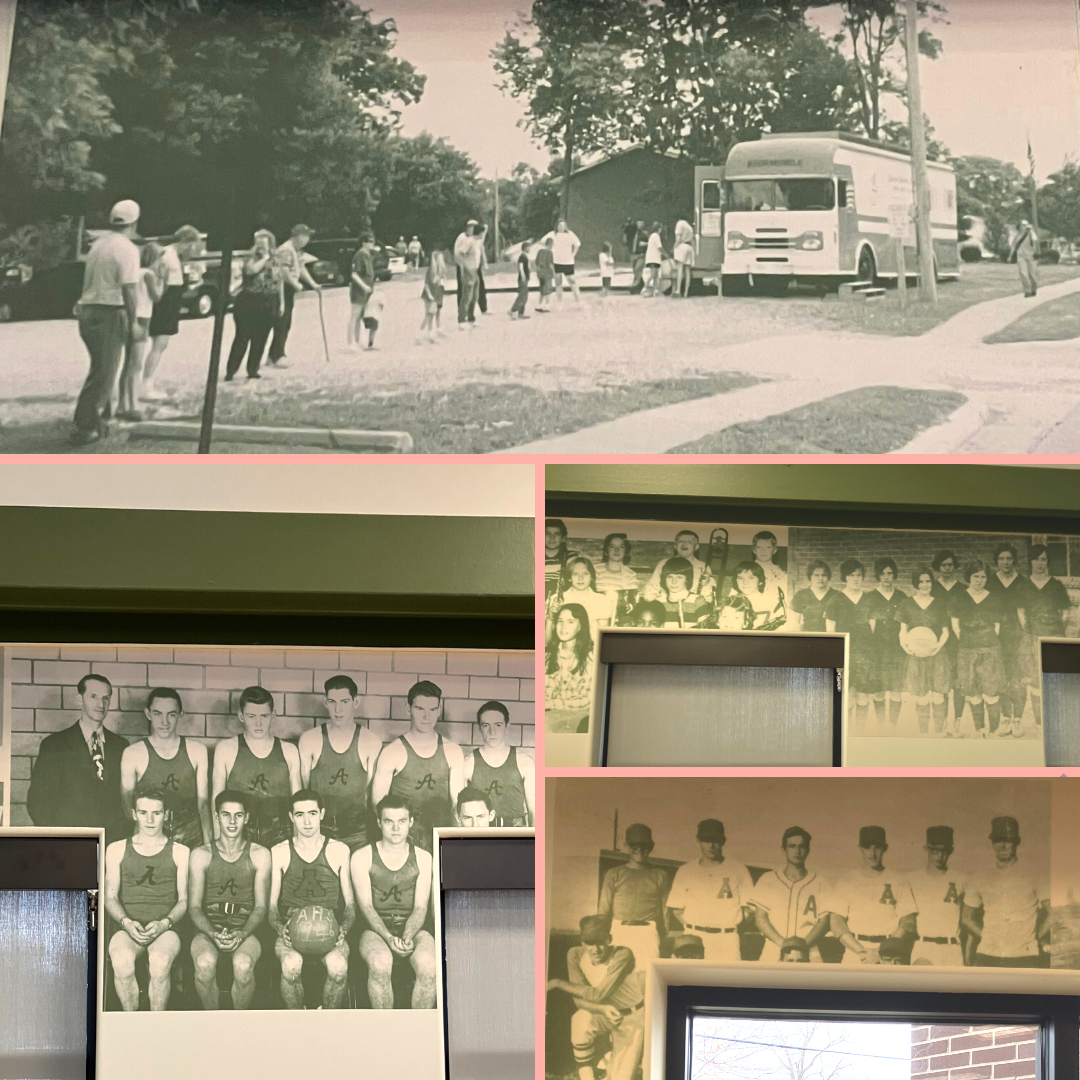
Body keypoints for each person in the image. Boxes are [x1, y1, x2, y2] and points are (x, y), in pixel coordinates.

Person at [268, 790, 355, 1009]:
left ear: (322, 814)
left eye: (312, 813)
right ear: (291, 817)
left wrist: (343, 927)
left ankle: (328, 1024)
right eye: (299, 815)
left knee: (339, 968)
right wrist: (280, 928)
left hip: (330, 929)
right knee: (291, 965)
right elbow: (270, 907)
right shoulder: (279, 851)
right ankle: (297, 1023)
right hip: (291, 929)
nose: (307, 821)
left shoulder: (339, 850)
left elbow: (351, 905)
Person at [104, 792, 189, 1011]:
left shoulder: (181, 852)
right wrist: (126, 922)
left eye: (156, 813)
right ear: (134, 814)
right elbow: (110, 897)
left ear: (166, 815)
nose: (150, 820)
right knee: (121, 962)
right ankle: (132, 1025)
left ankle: (156, 1026)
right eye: (143, 813)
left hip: (166, 928)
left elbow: (183, 901)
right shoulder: (116, 849)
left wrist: (164, 923)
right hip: (128, 926)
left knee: (160, 963)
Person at [187, 790, 272, 1010]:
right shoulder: (201, 854)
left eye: (238, 815)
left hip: (245, 929)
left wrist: (243, 933)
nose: (232, 822)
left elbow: (261, 907)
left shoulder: (259, 854)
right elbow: (194, 908)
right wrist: (212, 933)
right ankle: (213, 1020)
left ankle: (238, 1023)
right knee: (204, 964)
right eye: (226, 815)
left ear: (247, 818)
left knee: (243, 966)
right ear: (216, 817)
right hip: (209, 928)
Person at [351, 795, 437, 1009]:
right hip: (375, 929)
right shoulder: (362, 856)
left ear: (411, 822)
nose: (396, 828)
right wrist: (389, 938)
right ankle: (386, 1032)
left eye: (401, 821)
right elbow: (367, 908)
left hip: (413, 928)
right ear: (379, 823)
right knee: (380, 963)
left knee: (430, 966)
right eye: (389, 821)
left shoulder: (424, 858)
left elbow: (420, 907)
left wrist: (407, 936)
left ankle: (418, 1032)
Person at [71, 199, 143, 445]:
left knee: (100, 368)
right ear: (134, 222)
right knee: (105, 373)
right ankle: (85, 425)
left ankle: (100, 419)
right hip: (109, 312)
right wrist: (134, 322)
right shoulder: (127, 249)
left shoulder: (99, 245)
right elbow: (130, 290)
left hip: (89, 310)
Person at [26, 673, 128, 840]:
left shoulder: (121, 746)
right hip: (69, 846)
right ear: (80, 700)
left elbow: (125, 802)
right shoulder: (54, 745)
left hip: (111, 845)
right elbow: (38, 803)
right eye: (93, 697)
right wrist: (60, 841)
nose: (100, 704)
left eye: (106, 698)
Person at [547, 914, 645, 1080]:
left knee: (621, 1077)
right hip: (604, 1013)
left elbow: (599, 994)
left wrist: (557, 983)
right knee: (580, 1021)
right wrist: (602, 1009)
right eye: (589, 943)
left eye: (600, 942)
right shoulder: (575, 955)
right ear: (582, 942)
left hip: (631, 1017)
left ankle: (611, 1062)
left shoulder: (623, 954)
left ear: (609, 939)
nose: (595, 949)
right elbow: (578, 1000)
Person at [371, 680, 465, 851]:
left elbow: (457, 805)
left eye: (432, 710)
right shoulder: (392, 752)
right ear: (408, 709)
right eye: (420, 709)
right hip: (402, 839)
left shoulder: (453, 751)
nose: (426, 717)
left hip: (439, 835)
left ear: (439, 711)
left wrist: (453, 843)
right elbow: (378, 805)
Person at [299, 675, 383, 851]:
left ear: (356, 702)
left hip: (357, 833)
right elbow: (303, 793)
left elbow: (372, 797)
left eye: (345, 702)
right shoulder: (309, 739)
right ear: (325, 703)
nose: (338, 709)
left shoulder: (371, 741)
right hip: (319, 832)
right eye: (332, 702)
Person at [211, 686, 302, 848]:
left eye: (264, 716)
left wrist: (296, 846)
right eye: (251, 716)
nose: (258, 723)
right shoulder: (226, 749)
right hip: (239, 834)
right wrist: (220, 846)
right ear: (241, 716)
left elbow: (299, 805)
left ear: (273, 715)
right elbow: (215, 803)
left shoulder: (289, 751)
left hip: (280, 834)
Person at [120, 687, 211, 849]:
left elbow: (203, 806)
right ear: (148, 714)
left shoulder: (197, 751)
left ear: (180, 715)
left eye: (171, 714)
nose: (164, 722)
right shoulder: (132, 753)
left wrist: (209, 847)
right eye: (157, 714)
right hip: (149, 833)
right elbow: (128, 806)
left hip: (190, 833)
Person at [963, 816, 1048, 967]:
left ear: (1017, 842)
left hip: (1025, 956)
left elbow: (1054, 913)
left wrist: (1035, 937)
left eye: (1008, 840)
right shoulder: (980, 876)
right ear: (992, 843)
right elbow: (967, 918)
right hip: (987, 955)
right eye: (997, 840)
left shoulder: (1034, 873)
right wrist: (987, 936)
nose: (1002, 846)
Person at [666, 818, 753, 963]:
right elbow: (677, 910)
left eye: (716, 840)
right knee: (692, 982)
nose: (711, 845)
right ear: (698, 840)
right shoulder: (686, 870)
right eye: (706, 840)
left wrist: (730, 929)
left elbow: (749, 910)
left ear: (723, 841)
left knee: (726, 982)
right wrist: (694, 926)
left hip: (727, 939)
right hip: (694, 938)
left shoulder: (738, 869)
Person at [828, 825, 916, 965]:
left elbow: (908, 922)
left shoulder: (898, 880)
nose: (872, 853)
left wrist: (880, 951)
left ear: (885, 848)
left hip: (888, 953)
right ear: (860, 848)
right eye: (867, 847)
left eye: (877, 847)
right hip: (855, 953)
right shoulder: (846, 880)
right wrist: (862, 952)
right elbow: (836, 923)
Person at [750, 826, 830, 963]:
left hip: (810, 949)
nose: (797, 851)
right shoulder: (768, 879)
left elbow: (824, 922)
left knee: (815, 983)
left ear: (808, 850)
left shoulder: (820, 882)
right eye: (792, 846)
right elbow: (760, 918)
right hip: (773, 947)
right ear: (783, 849)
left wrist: (801, 946)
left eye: (802, 846)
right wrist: (784, 944)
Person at [142, 223, 201, 402]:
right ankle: (146, 384)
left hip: (171, 299)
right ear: (186, 242)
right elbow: (158, 278)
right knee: (159, 344)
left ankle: (146, 383)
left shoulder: (173, 256)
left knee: (161, 345)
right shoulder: (167, 256)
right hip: (166, 301)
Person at [1017, 544, 1071, 728]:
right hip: (1032, 637)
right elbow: (1021, 613)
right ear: (1030, 561)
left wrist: (1054, 632)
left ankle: (1055, 721)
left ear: (1047, 562)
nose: (1040, 563)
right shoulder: (1024, 585)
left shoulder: (1056, 585)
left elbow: (1065, 613)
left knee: (1053, 679)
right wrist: (1032, 631)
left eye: (1043, 559)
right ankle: (1040, 724)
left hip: (1053, 637)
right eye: (1036, 559)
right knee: (1034, 681)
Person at [949, 560, 1005, 737]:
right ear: (969, 577)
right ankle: (980, 729)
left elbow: (997, 626)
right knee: (974, 694)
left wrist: (985, 641)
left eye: (983, 577)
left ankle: (994, 731)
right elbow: (955, 625)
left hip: (990, 651)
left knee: (991, 693)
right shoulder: (959, 598)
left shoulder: (994, 599)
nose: (979, 580)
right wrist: (970, 643)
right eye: (976, 576)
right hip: (967, 651)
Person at [597, 824, 669, 964]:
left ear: (651, 848)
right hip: (619, 930)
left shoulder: (660, 875)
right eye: (635, 846)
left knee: (648, 973)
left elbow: (665, 910)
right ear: (626, 846)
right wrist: (601, 934)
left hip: (648, 932)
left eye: (645, 846)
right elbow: (603, 909)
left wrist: (663, 934)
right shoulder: (614, 874)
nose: (640, 850)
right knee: (618, 973)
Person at [898, 567, 952, 735]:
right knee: (921, 697)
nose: (924, 585)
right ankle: (923, 734)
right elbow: (902, 630)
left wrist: (938, 647)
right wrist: (904, 645)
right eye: (921, 581)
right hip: (916, 656)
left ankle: (938, 733)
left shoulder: (939, 603)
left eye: (928, 581)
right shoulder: (906, 603)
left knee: (937, 696)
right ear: (916, 583)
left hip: (936, 655)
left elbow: (945, 632)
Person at [223, 230, 283, 382]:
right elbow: (251, 270)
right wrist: (264, 258)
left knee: (261, 338)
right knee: (243, 337)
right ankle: (231, 370)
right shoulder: (251, 258)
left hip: (269, 299)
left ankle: (253, 369)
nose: (261, 246)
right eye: (258, 243)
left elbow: (279, 281)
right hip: (250, 300)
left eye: (264, 243)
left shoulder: (276, 259)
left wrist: (281, 302)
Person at [463, 700, 535, 826]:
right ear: (480, 727)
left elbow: (535, 811)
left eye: (498, 725)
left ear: (507, 726)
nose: (492, 732)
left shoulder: (524, 761)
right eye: (486, 725)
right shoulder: (469, 762)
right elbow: (461, 811)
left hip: (516, 834)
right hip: (481, 832)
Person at [115, 242, 164, 422]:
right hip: (143, 317)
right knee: (136, 364)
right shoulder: (149, 274)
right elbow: (157, 296)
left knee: (127, 363)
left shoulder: (136, 272)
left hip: (131, 315)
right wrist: (163, 279)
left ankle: (122, 403)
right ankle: (133, 405)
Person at [826, 559, 878, 725]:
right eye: (851, 575)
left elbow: (872, 629)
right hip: (845, 653)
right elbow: (830, 631)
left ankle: (860, 730)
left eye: (859, 575)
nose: (856, 578)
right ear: (845, 577)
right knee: (847, 694)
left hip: (865, 653)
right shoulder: (835, 600)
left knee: (863, 694)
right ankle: (847, 731)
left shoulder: (869, 599)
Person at [987, 544, 1030, 737]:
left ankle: (1018, 720)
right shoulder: (989, 582)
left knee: (1019, 679)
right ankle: (1005, 718)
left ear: (1014, 561)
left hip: (1017, 634)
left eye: (1009, 559)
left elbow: (1027, 611)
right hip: (996, 636)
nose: (1005, 562)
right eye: (1002, 559)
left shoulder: (1023, 581)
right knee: (1001, 677)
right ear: (997, 561)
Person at [910, 826, 964, 966]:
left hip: (952, 947)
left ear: (950, 851)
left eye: (944, 851)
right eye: (935, 850)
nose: (940, 856)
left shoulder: (962, 880)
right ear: (926, 849)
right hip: (923, 945)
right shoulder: (912, 880)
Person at [268, 223, 320, 368]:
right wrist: (295, 284)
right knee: (282, 321)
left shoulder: (297, 251)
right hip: (282, 287)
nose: (307, 240)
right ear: (299, 237)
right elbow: (283, 272)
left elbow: (301, 268)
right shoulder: (286, 250)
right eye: (306, 236)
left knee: (286, 321)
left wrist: (313, 284)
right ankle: (278, 355)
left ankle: (273, 354)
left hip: (289, 287)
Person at [868, 558, 907, 726]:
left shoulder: (901, 596)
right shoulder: (870, 597)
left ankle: (893, 725)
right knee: (879, 689)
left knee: (896, 689)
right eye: (882, 573)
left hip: (897, 648)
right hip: (877, 648)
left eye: (889, 573)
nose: (886, 577)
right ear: (878, 575)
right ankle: (881, 724)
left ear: (894, 575)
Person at [545, 604, 595, 715]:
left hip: (575, 718)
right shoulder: (548, 655)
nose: (563, 627)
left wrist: (550, 704)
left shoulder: (590, 657)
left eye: (570, 622)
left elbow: (587, 701)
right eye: (560, 621)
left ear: (581, 626)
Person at [932, 550, 964, 721]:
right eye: (943, 565)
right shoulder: (932, 587)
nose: (947, 568)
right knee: (941, 679)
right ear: (938, 567)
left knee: (959, 679)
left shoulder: (962, 589)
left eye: (950, 564)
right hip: (938, 638)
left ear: (955, 566)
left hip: (958, 639)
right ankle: (943, 720)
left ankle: (957, 718)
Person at [642, 530, 715, 602]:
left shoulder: (703, 566)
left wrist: (706, 584)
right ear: (675, 546)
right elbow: (652, 587)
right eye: (681, 541)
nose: (684, 544)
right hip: (666, 604)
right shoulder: (663, 564)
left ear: (696, 547)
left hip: (691, 606)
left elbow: (709, 596)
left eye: (689, 542)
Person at [713, 560, 785, 632]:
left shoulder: (773, 603)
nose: (745, 582)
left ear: (760, 581)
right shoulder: (729, 602)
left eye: (751, 578)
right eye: (740, 578)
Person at [557, 556, 616, 635]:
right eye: (575, 574)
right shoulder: (559, 599)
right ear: (569, 578)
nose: (580, 578)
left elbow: (602, 634)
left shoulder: (602, 601)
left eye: (585, 573)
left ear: (591, 577)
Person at [656, 556, 713, 629]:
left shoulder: (697, 600)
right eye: (670, 577)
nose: (674, 582)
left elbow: (705, 629)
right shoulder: (659, 601)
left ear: (687, 579)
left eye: (679, 577)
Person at [595, 533, 639, 625]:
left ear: (626, 551)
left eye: (621, 547)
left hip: (619, 618)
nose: (617, 549)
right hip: (597, 616)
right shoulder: (596, 570)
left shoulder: (629, 575)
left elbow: (630, 603)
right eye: (612, 546)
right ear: (606, 550)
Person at [454, 219, 487, 327]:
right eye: (481, 233)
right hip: (469, 270)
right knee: (467, 296)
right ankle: (461, 319)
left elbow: (483, 238)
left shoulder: (477, 241)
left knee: (474, 296)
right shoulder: (470, 241)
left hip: (476, 270)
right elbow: (459, 253)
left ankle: (471, 317)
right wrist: (464, 267)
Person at [790, 560, 835, 632]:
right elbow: (795, 623)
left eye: (824, 575)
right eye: (816, 575)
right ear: (810, 576)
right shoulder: (801, 595)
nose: (820, 578)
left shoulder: (836, 595)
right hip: (808, 638)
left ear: (828, 577)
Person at [349, 233, 376, 348]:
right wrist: (364, 286)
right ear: (364, 243)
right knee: (355, 316)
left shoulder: (368, 255)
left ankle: (358, 341)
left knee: (362, 316)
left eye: (373, 241)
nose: (372, 244)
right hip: (359, 290)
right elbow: (354, 274)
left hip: (368, 290)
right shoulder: (359, 255)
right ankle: (351, 342)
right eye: (370, 241)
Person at [545, 518, 580, 601]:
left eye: (556, 534)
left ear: (563, 538)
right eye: (547, 534)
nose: (552, 538)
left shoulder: (570, 557)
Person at [418, 248, 447, 342]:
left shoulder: (440, 271)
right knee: (429, 315)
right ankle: (420, 333)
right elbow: (426, 284)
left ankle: (432, 333)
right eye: (440, 259)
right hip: (430, 295)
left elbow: (441, 284)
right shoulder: (431, 270)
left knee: (435, 313)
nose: (441, 261)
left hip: (437, 294)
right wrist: (430, 295)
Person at [551, 219, 582, 304]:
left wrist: (574, 253)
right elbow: (545, 242)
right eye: (560, 225)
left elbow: (577, 244)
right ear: (557, 226)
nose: (561, 227)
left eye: (563, 226)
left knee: (573, 282)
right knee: (558, 283)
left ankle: (579, 301)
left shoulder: (570, 234)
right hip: (557, 261)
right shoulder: (553, 234)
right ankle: (559, 302)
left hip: (568, 262)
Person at [1010, 219, 1039, 298]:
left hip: (1031, 255)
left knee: (1032, 275)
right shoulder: (1017, 235)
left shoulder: (1031, 233)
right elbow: (1014, 246)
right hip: (1021, 256)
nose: (1023, 227)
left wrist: (1035, 249)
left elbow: (1035, 243)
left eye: (1025, 225)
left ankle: (1033, 289)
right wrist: (1010, 256)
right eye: (1022, 225)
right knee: (1023, 273)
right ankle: (1027, 291)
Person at [673, 217, 694, 298]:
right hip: (689, 247)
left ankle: (678, 290)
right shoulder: (689, 227)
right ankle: (686, 292)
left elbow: (678, 239)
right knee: (687, 270)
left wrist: (674, 247)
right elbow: (692, 240)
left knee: (680, 268)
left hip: (682, 247)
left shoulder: (679, 224)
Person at [509, 240, 532, 319]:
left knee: (524, 296)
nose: (530, 249)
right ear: (525, 248)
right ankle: (513, 310)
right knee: (522, 295)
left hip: (526, 278)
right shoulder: (522, 256)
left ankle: (520, 313)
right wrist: (523, 276)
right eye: (529, 247)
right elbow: (520, 267)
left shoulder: (525, 256)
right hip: (523, 278)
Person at [643, 222, 664, 298]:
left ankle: (655, 290)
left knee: (656, 275)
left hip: (652, 258)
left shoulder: (652, 236)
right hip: (654, 258)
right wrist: (665, 254)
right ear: (659, 229)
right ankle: (645, 288)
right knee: (653, 274)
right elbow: (659, 247)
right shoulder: (656, 236)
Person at [535, 236, 555, 312]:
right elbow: (550, 265)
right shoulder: (549, 252)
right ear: (550, 244)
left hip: (540, 273)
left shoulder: (540, 251)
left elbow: (536, 262)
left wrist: (538, 272)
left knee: (542, 290)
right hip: (547, 273)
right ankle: (547, 306)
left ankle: (539, 305)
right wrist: (553, 272)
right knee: (547, 290)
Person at [629, 219, 648, 294]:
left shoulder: (645, 233)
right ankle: (640, 285)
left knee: (638, 269)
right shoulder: (633, 233)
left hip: (641, 254)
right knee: (635, 271)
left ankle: (635, 285)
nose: (639, 225)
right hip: (633, 254)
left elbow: (651, 242)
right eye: (638, 223)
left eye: (641, 223)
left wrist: (645, 244)